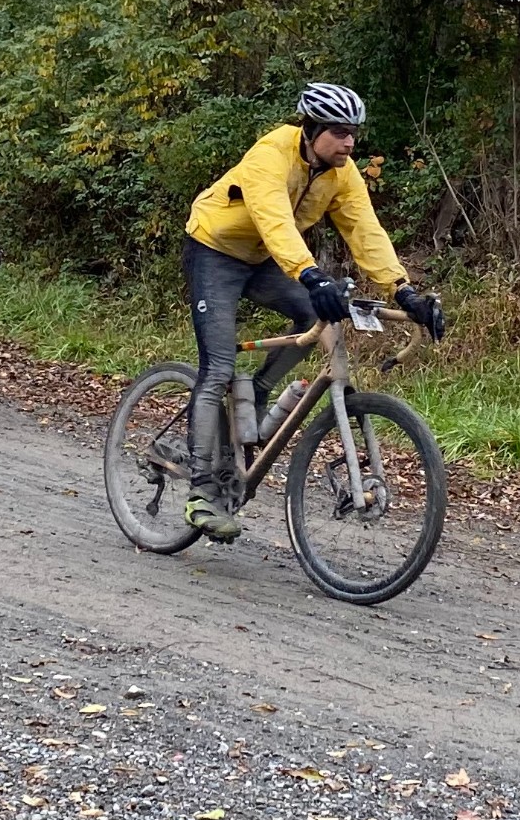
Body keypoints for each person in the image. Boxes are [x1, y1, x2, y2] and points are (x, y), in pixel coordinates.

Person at [178, 80, 446, 539]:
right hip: (215, 251)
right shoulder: (271, 155)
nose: (349, 142)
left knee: (313, 317)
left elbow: (365, 231)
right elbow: (275, 222)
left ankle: (258, 391)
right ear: (311, 129)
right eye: (339, 132)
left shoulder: (342, 173)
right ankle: (202, 492)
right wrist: (311, 275)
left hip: (265, 258)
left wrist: (403, 291)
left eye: (354, 133)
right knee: (218, 368)